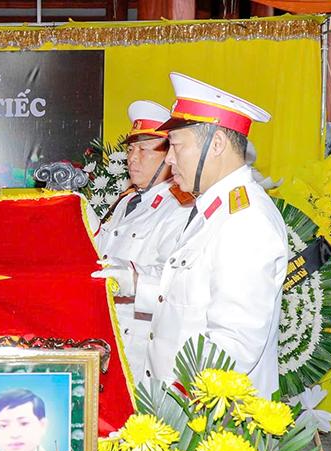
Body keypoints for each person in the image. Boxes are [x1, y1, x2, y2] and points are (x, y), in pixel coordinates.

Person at [145, 72, 288, 398]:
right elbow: (185, 298)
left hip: (206, 415)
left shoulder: (245, 221)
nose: (169, 158)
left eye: (176, 146)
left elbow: (233, 347)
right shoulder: (214, 210)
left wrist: (177, 401)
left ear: (218, 144)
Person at [91, 100, 191, 380]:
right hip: (107, 336)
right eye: (130, 149)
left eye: (144, 150)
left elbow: (177, 282)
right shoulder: (128, 200)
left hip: (139, 349)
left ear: (169, 156)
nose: (132, 158)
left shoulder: (180, 207)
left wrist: (130, 278)